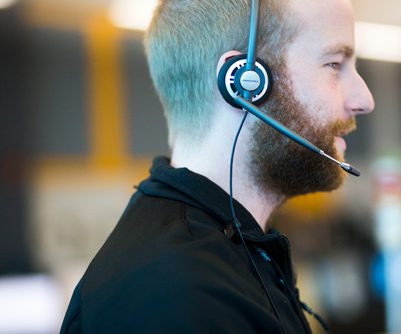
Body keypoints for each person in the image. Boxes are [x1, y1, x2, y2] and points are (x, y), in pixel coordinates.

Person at [60, 0, 374, 332]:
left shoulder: (233, 253)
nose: (364, 99)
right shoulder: (178, 296)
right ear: (244, 82)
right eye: (334, 64)